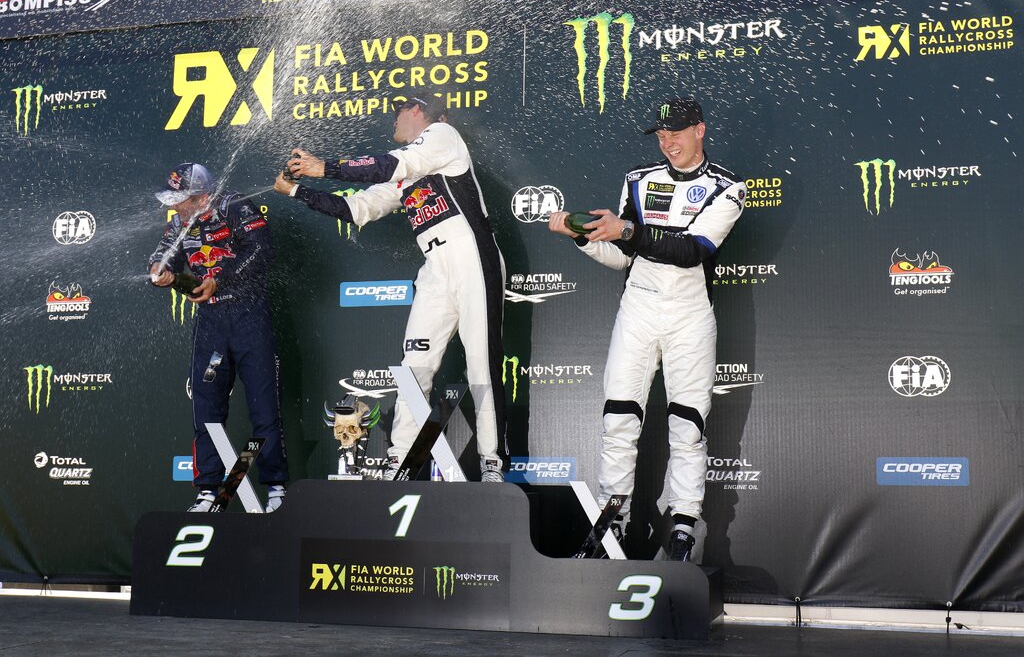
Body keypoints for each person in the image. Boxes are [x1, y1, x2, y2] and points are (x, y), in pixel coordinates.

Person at [548, 98, 745, 561]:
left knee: (688, 425)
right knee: (618, 419)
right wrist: (583, 237)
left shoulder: (728, 188)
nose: (667, 142)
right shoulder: (638, 180)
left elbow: (692, 251)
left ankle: (683, 528)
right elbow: (623, 258)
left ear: (700, 130)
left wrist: (627, 231)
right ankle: (610, 524)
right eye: (660, 134)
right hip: (637, 308)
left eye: (676, 132)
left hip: (689, 314)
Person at [272, 93, 507, 482]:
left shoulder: (442, 135)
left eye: (400, 110)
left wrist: (323, 167)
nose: (394, 119)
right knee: (415, 365)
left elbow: (394, 162)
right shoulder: (405, 172)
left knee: (481, 361)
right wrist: (299, 192)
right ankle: (401, 459)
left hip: (471, 256)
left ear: (417, 111)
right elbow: (358, 209)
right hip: (435, 267)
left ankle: (492, 461)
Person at [149, 163, 289, 512]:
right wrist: (160, 270)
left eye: (181, 200)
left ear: (202, 197)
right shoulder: (179, 222)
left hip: (249, 315)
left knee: (264, 408)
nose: (175, 207)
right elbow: (163, 254)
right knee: (206, 409)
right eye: (173, 200)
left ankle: (275, 489)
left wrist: (220, 278)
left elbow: (262, 250)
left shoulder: (235, 206)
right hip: (211, 321)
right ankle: (208, 493)